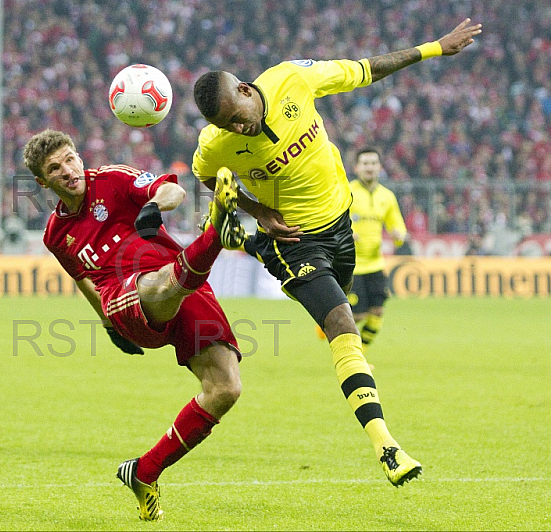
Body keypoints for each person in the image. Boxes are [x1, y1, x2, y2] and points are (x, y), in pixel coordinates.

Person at [191, 18, 482, 486]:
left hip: (340, 225)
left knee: (352, 313)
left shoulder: (292, 79)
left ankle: (233, 237)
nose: (237, 128)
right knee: (342, 322)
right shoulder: (218, 142)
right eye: (226, 126)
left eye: (236, 116)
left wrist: (434, 48)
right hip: (293, 239)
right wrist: (255, 208)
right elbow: (204, 172)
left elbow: (366, 69)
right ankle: (387, 446)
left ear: (246, 90)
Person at [23, 129, 246, 521]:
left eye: (70, 159)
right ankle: (216, 234)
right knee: (158, 284)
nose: (68, 171)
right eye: (55, 169)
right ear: (43, 182)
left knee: (225, 388)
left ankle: (144, 472)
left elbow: (172, 191)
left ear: (79, 156)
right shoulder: (56, 236)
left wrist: (154, 207)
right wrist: (108, 326)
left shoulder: (111, 179)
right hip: (125, 299)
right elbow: (84, 280)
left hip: (181, 277)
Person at [345, 148, 407, 353]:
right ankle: (329, 325)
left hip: (375, 263)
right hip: (352, 264)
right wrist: (346, 232)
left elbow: (395, 223)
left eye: (373, 163)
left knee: (377, 311)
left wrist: (399, 235)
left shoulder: (387, 197)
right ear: (356, 167)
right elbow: (335, 219)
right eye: (365, 163)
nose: (369, 167)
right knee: (359, 315)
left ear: (380, 167)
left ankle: (358, 356)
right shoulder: (347, 192)